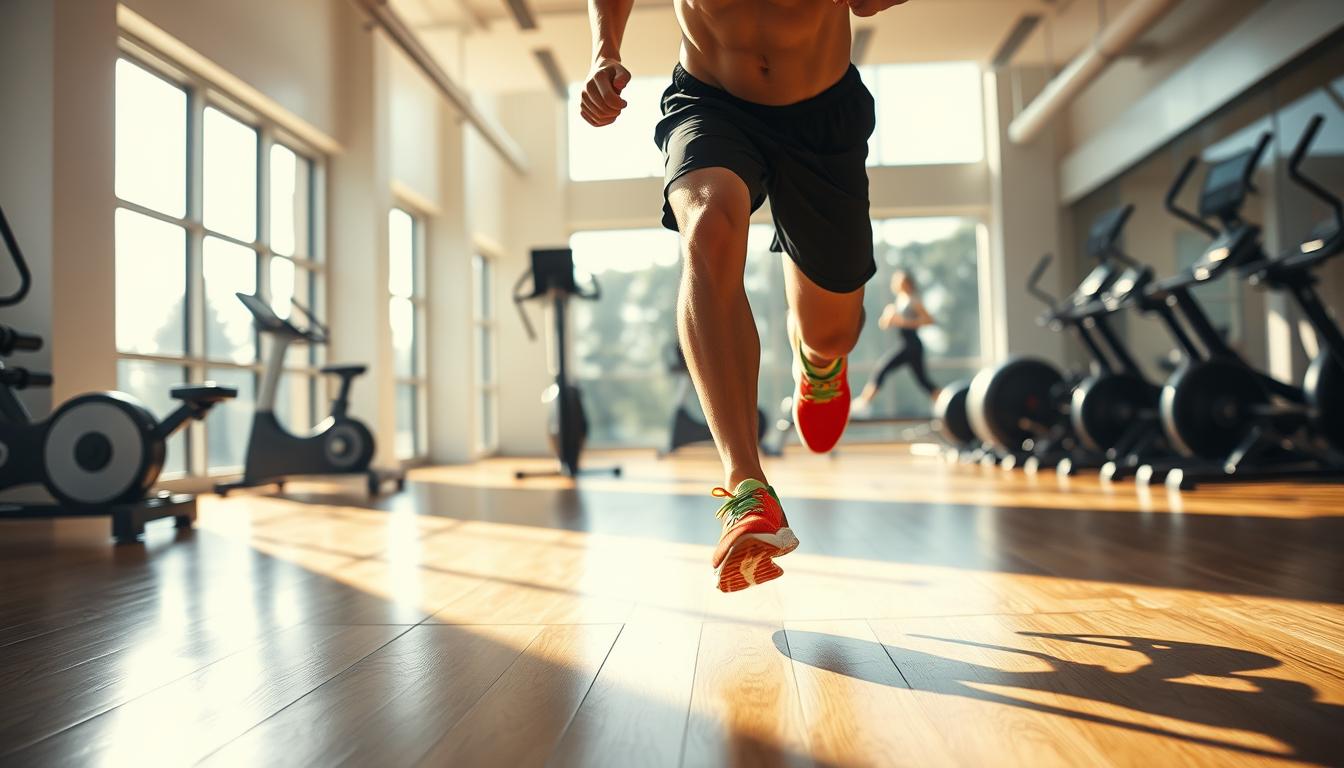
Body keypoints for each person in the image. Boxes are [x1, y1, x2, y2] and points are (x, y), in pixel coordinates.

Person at [582, 0, 909, 592]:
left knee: (832, 328)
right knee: (708, 227)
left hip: (821, 113)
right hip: (710, 100)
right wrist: (606, 50)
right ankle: (747, 487)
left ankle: (818, 359)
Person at [852, 270, 941, 413]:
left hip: (912, 345)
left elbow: (929, 320)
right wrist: (890, 315)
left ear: (908, 283)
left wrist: (904, 321)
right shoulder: (899, 301)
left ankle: (863, 403)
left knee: (883, 369)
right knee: (923, 380)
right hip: (906, 344)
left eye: (903, 282)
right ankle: (943, 400)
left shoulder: (913, 300)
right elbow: (884, 324)